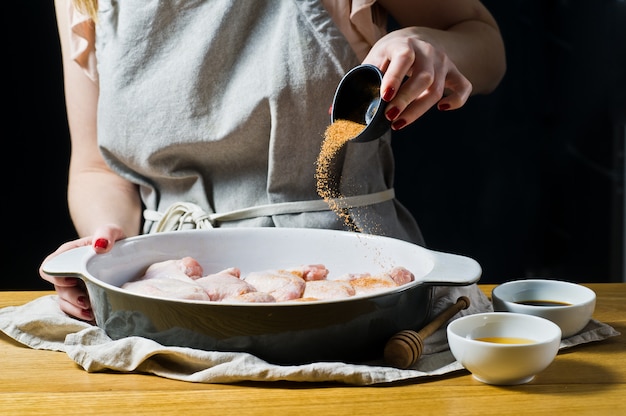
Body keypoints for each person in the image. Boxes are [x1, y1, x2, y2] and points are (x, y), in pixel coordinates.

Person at [41, 0, 506, 321]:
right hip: (172, 295)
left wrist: (424, 44)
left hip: (358, 284)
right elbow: (96, 169)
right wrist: (104, 246)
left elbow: (484, 43)